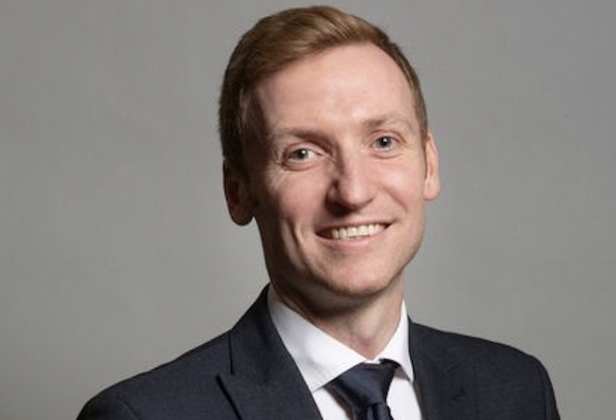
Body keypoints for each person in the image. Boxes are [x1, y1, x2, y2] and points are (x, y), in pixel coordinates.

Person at [77, 6, 560, 420]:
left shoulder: (515, 390)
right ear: (238, 191)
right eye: (302, 154)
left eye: (383, 142)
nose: (353, 191)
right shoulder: (143, 415)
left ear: (429, 165)